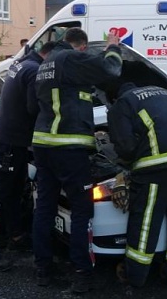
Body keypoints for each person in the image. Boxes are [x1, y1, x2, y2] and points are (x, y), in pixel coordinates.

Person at [31, 27, 122, 293]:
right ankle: (82, 273)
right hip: (69, 148)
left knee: (44, 208)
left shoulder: (46, 64)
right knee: (82, 210)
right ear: (80, 47)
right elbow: (111, 70)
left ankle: (42, 269)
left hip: (43, 146)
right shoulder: (70, 59)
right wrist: (113, 46)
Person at [106, 82, 167, 291]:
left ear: (113, 98)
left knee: (146, 220)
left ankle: (135, 277)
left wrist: (124, 166)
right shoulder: (164, 93)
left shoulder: (122, 103)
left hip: (157, 164)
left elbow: (126, 147)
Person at [0, 41, 56, 271]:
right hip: (9, 144)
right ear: (49, 55)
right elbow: (34, 108)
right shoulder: (34, 71)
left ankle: (17, 236)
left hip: (10, 142)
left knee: (14, 192)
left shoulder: (22, 63)